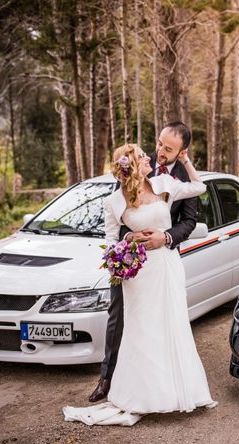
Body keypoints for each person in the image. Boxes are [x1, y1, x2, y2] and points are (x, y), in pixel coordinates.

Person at [63, 143, 216, 426]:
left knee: (172, 325)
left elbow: (199, 188)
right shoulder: (114, 202)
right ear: (133, 165)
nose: (150, 157)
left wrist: (186, 161)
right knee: (141, 330)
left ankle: (176, 391)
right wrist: (126, 242)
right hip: (138, 273)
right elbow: (110, 241)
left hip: (166, 266)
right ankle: (141, 393)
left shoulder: (164, 184)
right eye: (143, 156)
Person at [88, 121, 199, 403]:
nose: (160, 151)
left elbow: (189, 222)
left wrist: (167, 237)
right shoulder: (135, 163)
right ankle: (107, 379)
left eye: (168, 148)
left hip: (163, 261)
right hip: (132, 262)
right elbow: (120, 216)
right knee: (119, 317)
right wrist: (129, 240)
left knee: (160, 323)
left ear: (181, 151)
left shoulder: (174, 180)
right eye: (160, 143)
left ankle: (161, 386)